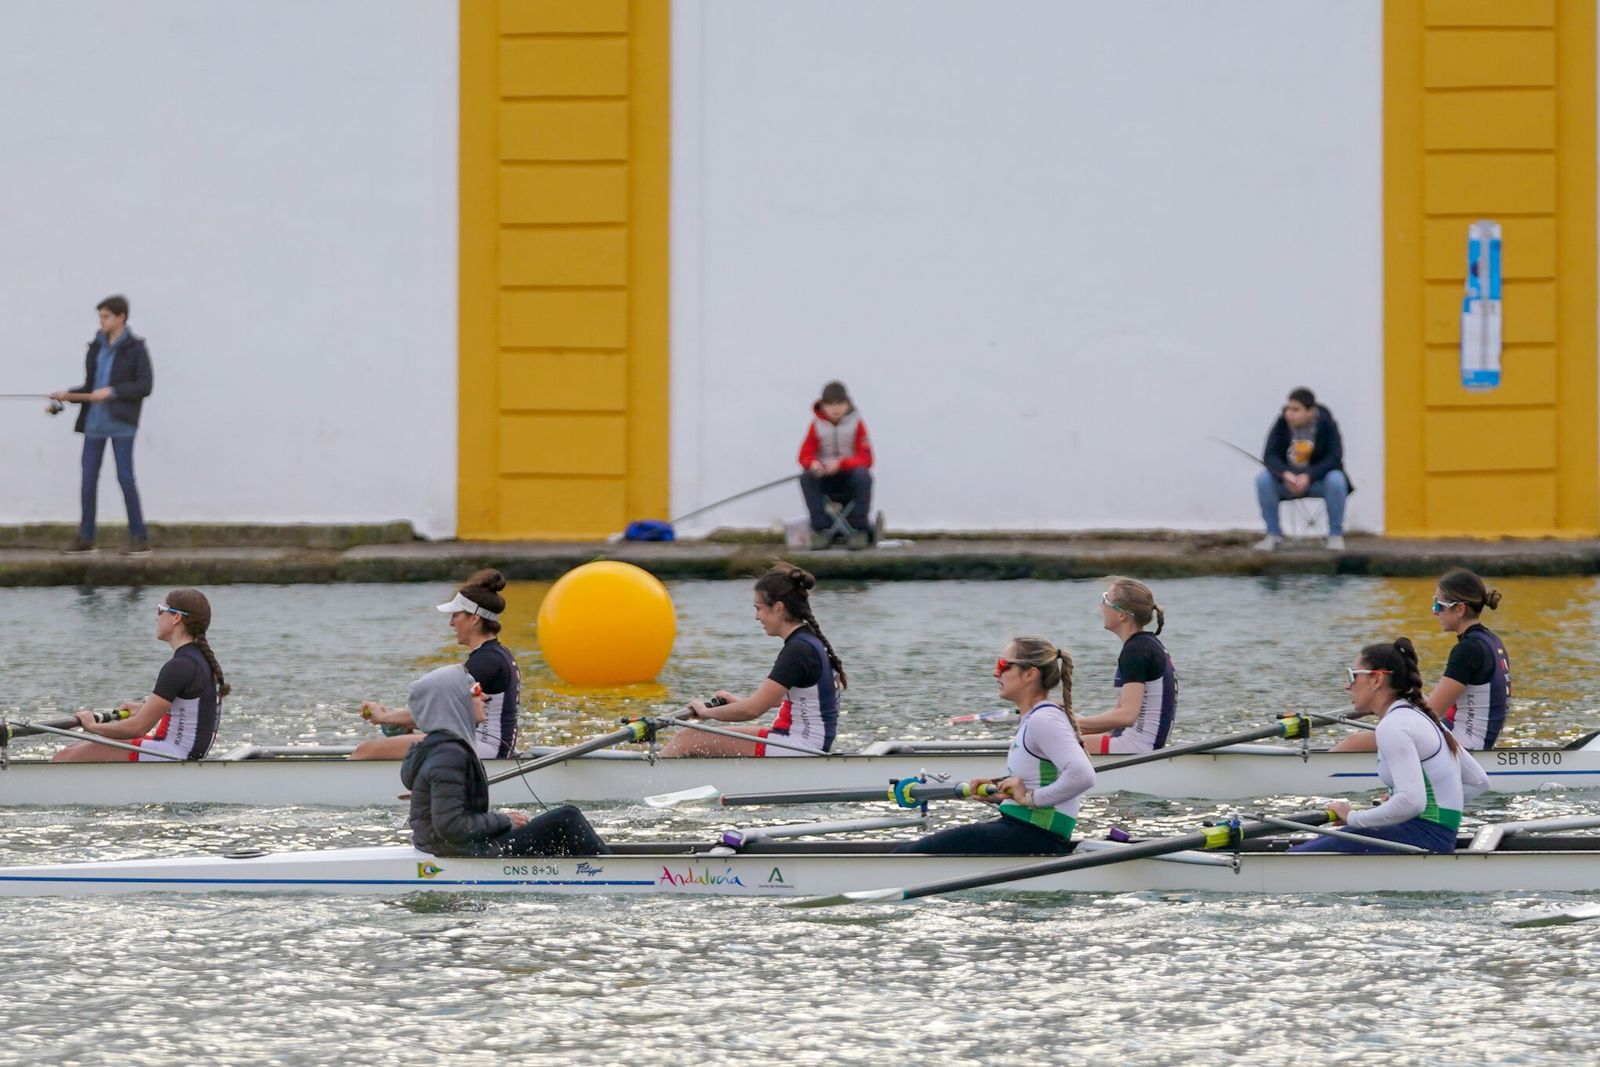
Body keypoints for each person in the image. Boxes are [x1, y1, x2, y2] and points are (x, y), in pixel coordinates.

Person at [895, 637, 1093, 855]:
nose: (995, 673)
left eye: (1002, 665)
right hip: (1026, 829)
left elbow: (1082, 775)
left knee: (905, 854)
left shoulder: (1044, 719)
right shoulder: (1036, 717)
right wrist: (1000, 792)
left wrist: (1029, 799)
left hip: (1034, 834)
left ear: (1030, 674)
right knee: (910, 849)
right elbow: (1044, 778)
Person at [1294, 638, 1488, 853]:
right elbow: (1478, 781)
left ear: (1376, 679)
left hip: (1420, 838)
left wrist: (1353, 817)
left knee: (1292, 858)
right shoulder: (1421, 716)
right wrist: (1401, 807)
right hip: (1433, 837)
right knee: (1308, 848)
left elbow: (1412, 802)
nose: (1347, 685)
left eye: (1353, 676)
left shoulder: (1394, 725)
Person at [401, 664, 608, 857]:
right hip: (455, 851)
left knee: (561, 826)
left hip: (453, 846)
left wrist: (503, 821)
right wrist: (505, 820)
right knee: (566, 819)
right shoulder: (448, 755)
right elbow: (451, 826)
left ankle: (598, 867)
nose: (484, 697)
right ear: (454, 703)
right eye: (475, 691)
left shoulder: (446, 748)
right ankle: (611, 871)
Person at [658, 564, 844, 757]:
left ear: (779, 608)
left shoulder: (798, 650)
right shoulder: (809, 641)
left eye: (759, 609)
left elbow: (752, 711)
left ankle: (650, 777)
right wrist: (738, 703)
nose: (757, 617)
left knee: (688, 738)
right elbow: (791, 700)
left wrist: (705, 712)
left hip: (799, 745)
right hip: (804, 741)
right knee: (698, 741)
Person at [1332, 569, 1510, 753]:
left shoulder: (1468, 650)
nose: (1435, 612)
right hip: (1466, 739)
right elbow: (1433, 706)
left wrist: (1383, 703)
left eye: (1438, 605)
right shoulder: (1490, 640)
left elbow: (1431, 713)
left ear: (1460, 609)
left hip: (1462, 747)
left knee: (1353, 742)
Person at [353, 570, 521, 761]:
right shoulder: (494, 654)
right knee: (401, 739)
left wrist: (386, 718)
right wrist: (396, 719)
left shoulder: (487, 662)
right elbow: (443, 712)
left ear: (474, 619)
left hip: (485, 750)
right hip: (477, 743)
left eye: (455, 616)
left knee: (364, 751)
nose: (450, 623)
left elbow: (440, 713)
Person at [52, 589, 227, 763]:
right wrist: (143, 707)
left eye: (160, 610)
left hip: (172, 753)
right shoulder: (199, 659)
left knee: (65, 757)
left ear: (176, 617)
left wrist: (93, 726)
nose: (156, 617)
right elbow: (188, 709)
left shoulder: (180, 666)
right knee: (73, 749)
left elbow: (137, 728)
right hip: (180, 751)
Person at [50, 295, 154, 556]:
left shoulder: (136, 348)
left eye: (106, 316)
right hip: (94, 424)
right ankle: (86, 538)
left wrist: (112, 391)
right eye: (100, 316)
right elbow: (90, 387)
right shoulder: (95, 346)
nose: (102, 321)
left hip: (122, 424)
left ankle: (139, 538)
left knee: (125, 478)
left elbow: (144, 386)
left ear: (121, 317)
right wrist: (67, 394)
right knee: (87, 480)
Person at [1075, 577, 1177, 754]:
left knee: (1049, 748)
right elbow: (1117, 716)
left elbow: (1127, 716)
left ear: (1121, 614)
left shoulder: (1137, 651)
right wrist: (1069, 722)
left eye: (1105, 600)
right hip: (1135, 741)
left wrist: (1070, 724)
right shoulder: (1146, 644)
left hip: (1135, 747)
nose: (1101, 607)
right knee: (1059, 737)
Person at [1253, 387, 1352, 552]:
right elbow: (1270, 456)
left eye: (1295, 410)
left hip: (1318, 482)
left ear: (1310, 412)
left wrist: (1309, 476)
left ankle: (1335, 534)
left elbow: (1334, 457)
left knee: (1336, 479)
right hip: (1288, 482)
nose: (1289, 413)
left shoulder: (1327, 424)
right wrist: (1285, 474)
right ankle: (1273, 534)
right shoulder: (1281, 424)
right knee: (1263, 479)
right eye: (1288, 408)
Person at [798, 380, 875, 550]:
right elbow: (804, 455)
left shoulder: (857, 424)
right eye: (830, 404)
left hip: (850, 477)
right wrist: (813, 464)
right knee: (806, 477)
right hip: (825, 478)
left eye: (840, 403)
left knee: (864, 475)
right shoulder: (815, 426)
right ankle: (821, 529)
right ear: (823, 406)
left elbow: (867, 459)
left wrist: (842, 464)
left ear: (847, 404)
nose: (835, 408)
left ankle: (859, 528)